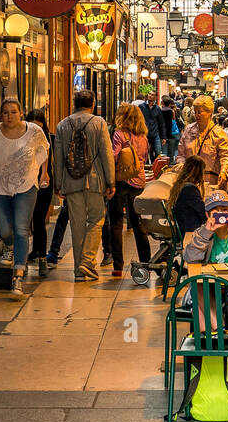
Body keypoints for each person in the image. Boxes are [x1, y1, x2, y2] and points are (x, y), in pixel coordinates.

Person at [0, 98, 49, 296]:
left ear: (21, 113)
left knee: (21, 228)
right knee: (4, 229)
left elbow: (44, 150)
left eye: (13, 112)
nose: (9, 116)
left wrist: (44, 172)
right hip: (0, 186)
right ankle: (10, 246)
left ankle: (18, 276)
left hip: (27, 186)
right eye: (5, 112)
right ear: (0, 115)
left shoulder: (34, 131)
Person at [53, 86, 115, 281]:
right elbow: (106, 154)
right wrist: (111, 181)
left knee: (77, 225)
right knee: (97, 219)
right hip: (95, 181)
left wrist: (58, 183)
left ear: (74, 105)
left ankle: (79, 272)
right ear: (93, 105)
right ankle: (87, 261)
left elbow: (58, 157)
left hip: (71, 182)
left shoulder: (62, 125)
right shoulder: (99, 123)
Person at [108, 102, 152, 278]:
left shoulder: (119, 134)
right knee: (138, 225)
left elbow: (113, 156)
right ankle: (146, 262)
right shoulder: (143, 137)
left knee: (116, 224)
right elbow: (144, 157)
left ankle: (118, 266)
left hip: (121, 182)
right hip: (139, 182)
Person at [177, 94, 228, 188]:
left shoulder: (218, 133)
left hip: (211, 183)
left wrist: (224, 171)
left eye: (200, 112)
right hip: (190, 181)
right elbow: (181, 154)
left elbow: (225, 156)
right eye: (195, 111)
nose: (196, 115)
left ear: (209, 112)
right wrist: (181, 164)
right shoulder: (188, 130)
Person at [25, 107, 54, 277]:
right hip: (26, 183)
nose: (36, 130)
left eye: (39, 127)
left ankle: (42, 258)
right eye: (32, 126)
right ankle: (32, 254)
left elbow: (47, 162)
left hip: (43, 184)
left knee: (39, 221)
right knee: (25, 222)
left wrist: (46, 175)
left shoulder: (46, 139)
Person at [167, 154, 207, 235]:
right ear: (199, 172)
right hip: (191, 230)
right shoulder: (190, 189)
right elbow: (202, 212)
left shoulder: (180, 185)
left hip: (184, 228)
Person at [139, 87, 164, 162]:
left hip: (155, 133)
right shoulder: (141, 107)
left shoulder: (157, 109)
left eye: (152, 95)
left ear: (155, 97)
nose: (150, 95)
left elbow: (161, 123)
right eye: (149, 94)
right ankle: (145, 168)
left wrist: (163, 137)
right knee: (144, 153)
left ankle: (155, 168)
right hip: (144, 133)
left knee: (158, 152)